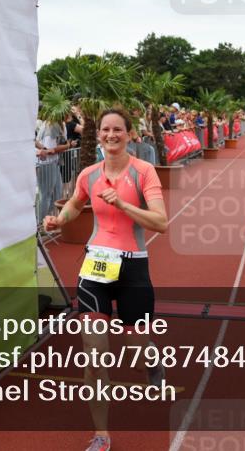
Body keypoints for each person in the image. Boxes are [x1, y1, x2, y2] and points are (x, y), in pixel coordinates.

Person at [43, 109, 168, 451]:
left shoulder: (144, 172)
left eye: (117, 130)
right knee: (94, 355)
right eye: (105, 130)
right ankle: (101, 434)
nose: (111, 135)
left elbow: (160, 222)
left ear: (128, 134)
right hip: (96, 267)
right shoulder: (89, 174)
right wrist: (60, 219)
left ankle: (152, 363)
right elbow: (73, 206)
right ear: (97, 134)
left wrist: (125, 206)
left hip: (133, 268)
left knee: (136, 350)